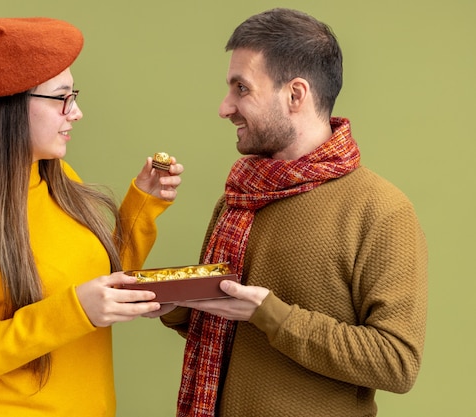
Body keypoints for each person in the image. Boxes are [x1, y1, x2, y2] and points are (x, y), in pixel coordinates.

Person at [156, 8, 427, 417]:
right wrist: (172, 303)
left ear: (295, 94)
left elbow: (396, 362)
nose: (224, 107)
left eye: (241, 89)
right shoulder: (240, 197)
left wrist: (271, 315)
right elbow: (226, 324)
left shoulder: (382, 211)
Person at [0, 17, 183, 417]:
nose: (75, 112)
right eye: (62, 98)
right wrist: (75, 310)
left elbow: (108, 285)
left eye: (73, 95)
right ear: (8, 107)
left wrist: (142, 204)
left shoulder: (59, 182)